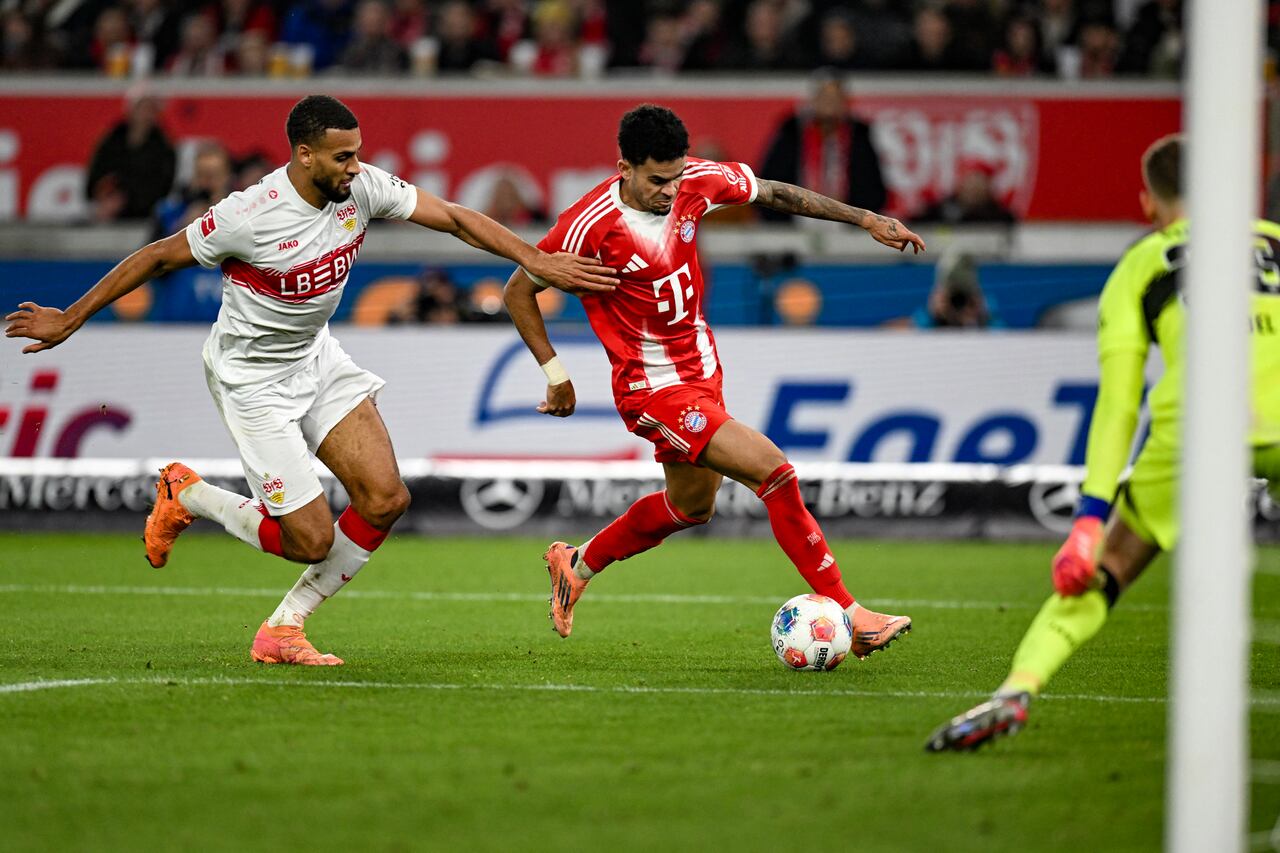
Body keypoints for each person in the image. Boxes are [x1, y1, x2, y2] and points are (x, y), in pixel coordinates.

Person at [5, 94, 615, 666]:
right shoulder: (249, 214)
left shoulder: (364, 186)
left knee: (385, 499)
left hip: (316, 359)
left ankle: (283, 629)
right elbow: (158, 255)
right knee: (309, 540)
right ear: (304, 155)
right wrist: (72, 317)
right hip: (251, 379)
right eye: (342, 155)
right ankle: (186, 493)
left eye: (357, 152)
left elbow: (454, 217)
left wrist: (532, 258)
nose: (356, 166)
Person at [502, 104, 925, 656]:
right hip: (652, 391)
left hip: (702, 374)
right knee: (775, 473)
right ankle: (853, 614)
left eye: (677, 177)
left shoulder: (694, 181)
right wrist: (556, 375)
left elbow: (773, 192)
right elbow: (517, 291)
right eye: (657, 180)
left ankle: (575, 563)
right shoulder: (587, 225)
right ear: (624, 166)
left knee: (691, 508)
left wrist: (865, 219)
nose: (670, 191)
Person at [925, 134, 1280, 751]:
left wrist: (1089, 518)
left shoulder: (1143, 264)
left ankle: (1016, 690)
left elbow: (1119, 403)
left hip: (1198, 430)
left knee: (1106, 572)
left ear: (1149, 203)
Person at [759, 73, 886, 224]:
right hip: (794, 223)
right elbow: (769, 182)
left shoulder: (859, 136)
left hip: (847, 223)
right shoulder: (792, 133)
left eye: (834, 98)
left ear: (845, 102)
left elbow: (873, 188)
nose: (829, 103)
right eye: (824, 97)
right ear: (813, 100)